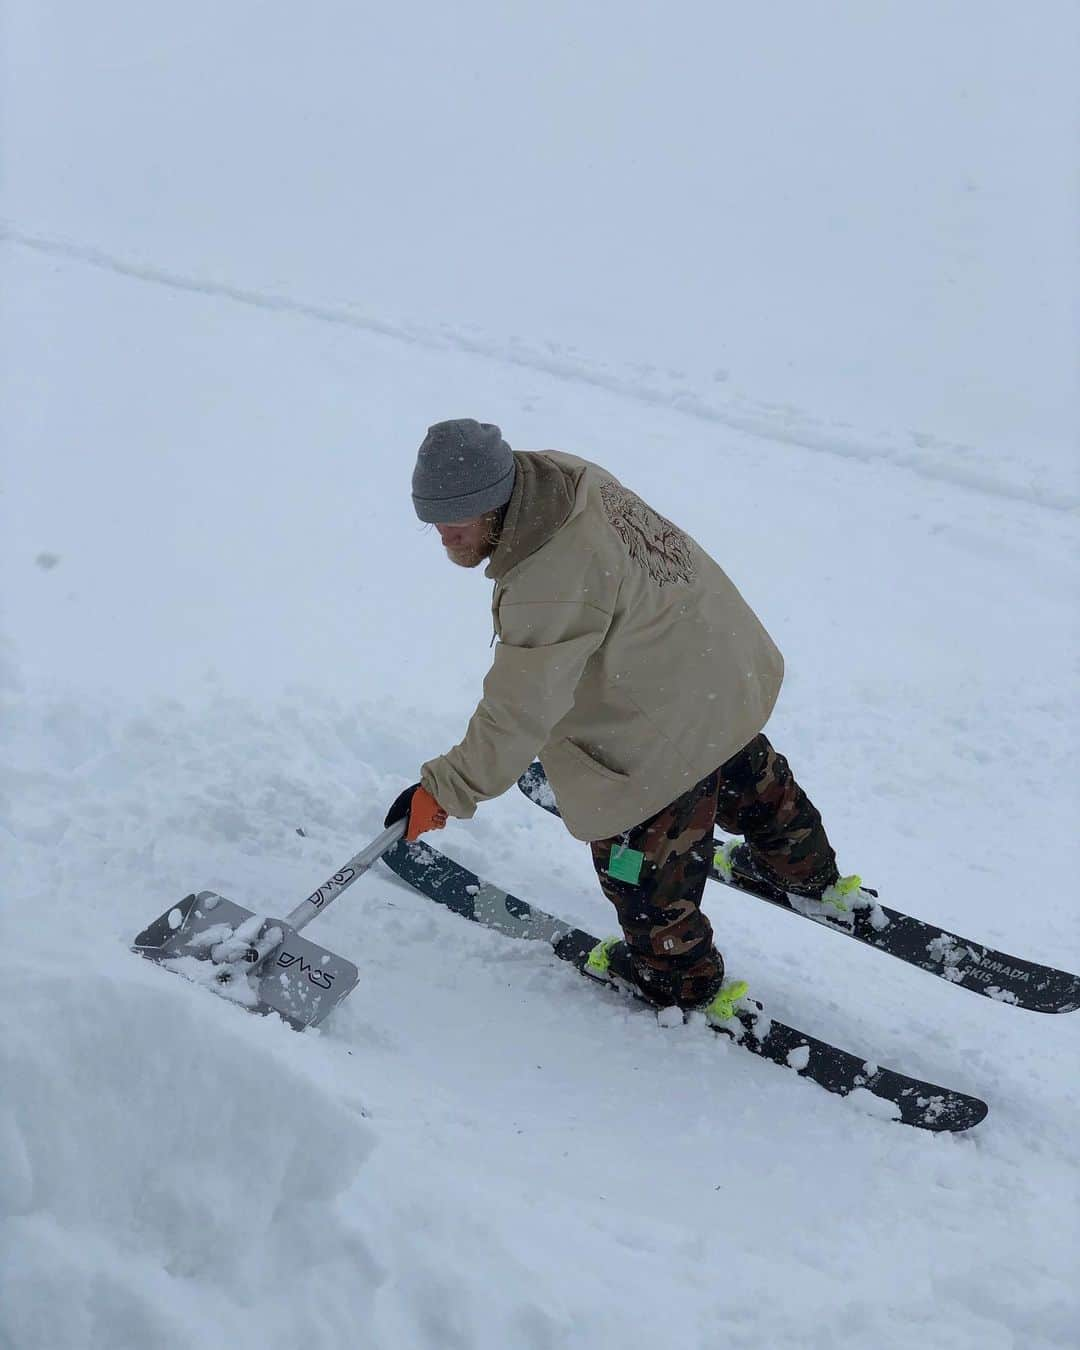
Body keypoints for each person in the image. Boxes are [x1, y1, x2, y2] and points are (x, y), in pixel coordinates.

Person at [385, 419, 860, 1020]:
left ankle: (676, 981)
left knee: (638, 873)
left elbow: (519, 709)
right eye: (433, 521)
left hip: (659, 728)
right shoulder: (560, 477)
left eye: (457, 521)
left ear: (495, 506)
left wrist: (445, 790)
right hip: (720, 670)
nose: (444, 537)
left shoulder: (546, 582)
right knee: (750, 775)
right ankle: (806, 868)